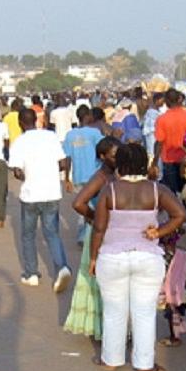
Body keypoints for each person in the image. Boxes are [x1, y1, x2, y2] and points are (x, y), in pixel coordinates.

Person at [91, 143, 186, 371]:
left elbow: (99, 228)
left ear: (119, 165)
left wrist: (93, 257)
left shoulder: (110, 190)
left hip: (112, 257)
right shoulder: (157, 190)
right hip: (147, 256)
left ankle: (111, 359)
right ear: (144, 164)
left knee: (114, 311)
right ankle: (144, 366)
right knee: (144, 313)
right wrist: (160, 231)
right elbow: (180, 214)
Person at [8, 108, 72, 292]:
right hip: (51, 192)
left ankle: (31, 274)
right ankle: (62, 267)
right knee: (52, 233)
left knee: (28, 235)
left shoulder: (19, 142)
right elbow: (63, 162)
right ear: (36, 120)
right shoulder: (50, 136)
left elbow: (17, 171)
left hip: (30, 194)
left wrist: (27, 173)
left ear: (20, 123)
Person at [66, 136, 121, 340]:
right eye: (114, 155)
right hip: (100, 232)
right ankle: (101, 328)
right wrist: (94, 218)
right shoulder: (101, 177)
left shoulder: (114, 175)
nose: (118, 158)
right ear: (102, 156)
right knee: (98, 279)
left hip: (109, 231)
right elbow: (78, 203)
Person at [63, 111, 105, 244]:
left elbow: (67, 158)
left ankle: (82, 236)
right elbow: (103, 149)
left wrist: (67, 178)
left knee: (81, 206)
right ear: (89, 117)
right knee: (96, 206)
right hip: (95, 176)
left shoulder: (70, 135)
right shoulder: (94, 133)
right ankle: (94, 233)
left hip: (78, 176)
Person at [150, 89, 186, 193]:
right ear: (179, 99)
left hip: (169, 160)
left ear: (166, 102)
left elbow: (160, 142)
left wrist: (155, 162)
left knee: (172, 193)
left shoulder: (162, 119)